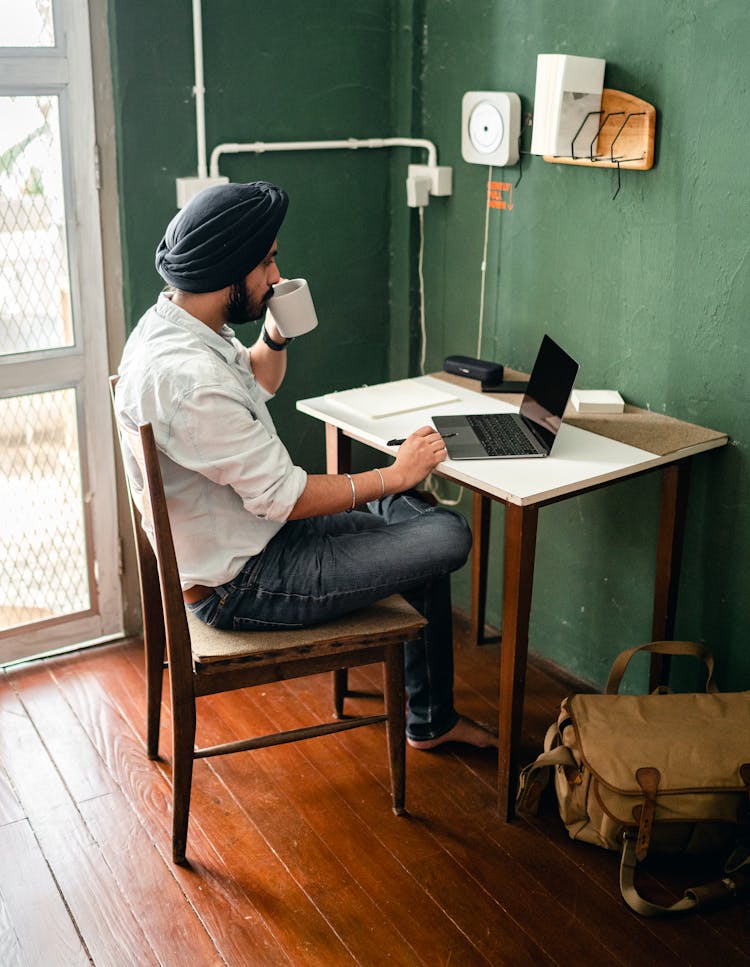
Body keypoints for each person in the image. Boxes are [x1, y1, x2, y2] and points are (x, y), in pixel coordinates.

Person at [115, 181, 495, 751]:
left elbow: (259, 378)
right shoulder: (188, 382)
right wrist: (393, 474)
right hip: (244, 582)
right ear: (227, 270)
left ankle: (431, 721)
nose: (275, 276)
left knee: (414, 517)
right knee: (445, 533)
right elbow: (285, 497)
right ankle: (431, 719)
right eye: (267, 262)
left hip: (256, 537)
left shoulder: (177, 323)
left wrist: (277, 329)